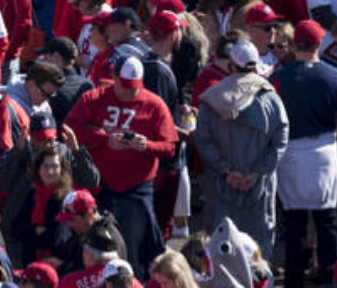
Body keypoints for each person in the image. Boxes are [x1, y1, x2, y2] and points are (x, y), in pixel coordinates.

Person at [67, 57, 176, 275]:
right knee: (92, 247)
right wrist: (104, 138)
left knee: (134, 249)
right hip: (100, 187)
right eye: (124, 86)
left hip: (136, 189)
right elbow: (71, 127)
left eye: (133, 87)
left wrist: (147, 145)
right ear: (114, 78)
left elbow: (170, 147)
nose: (129, 93)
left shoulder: (154, 105)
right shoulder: (94, 98)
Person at [194, 36, 288, 257]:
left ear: (231, 65)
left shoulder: (212, 99)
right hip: (259, 187)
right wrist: (256, 173)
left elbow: (203, 141)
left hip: (223, 185)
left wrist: (227, 171)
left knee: (223, 249)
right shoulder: (271, 99)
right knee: (259, 252)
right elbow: (280, 141)